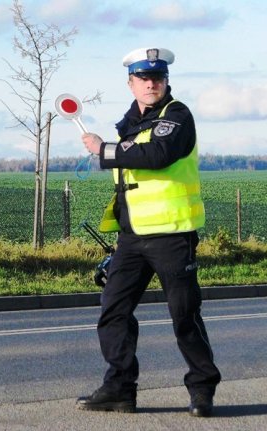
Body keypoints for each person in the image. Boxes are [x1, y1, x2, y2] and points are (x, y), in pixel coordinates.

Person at [76, 47, 221, 417]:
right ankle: (119, 389)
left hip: (173, 235)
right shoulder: (127, 125)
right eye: (144, 78)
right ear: (131, 84)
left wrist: (104, 150)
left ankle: (202, 390)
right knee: (113, 313)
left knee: (184, 316)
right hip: (132, 239)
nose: (151, 83)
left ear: (166, 81)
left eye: (158, 77)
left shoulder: (177, 116)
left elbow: (157, 155)